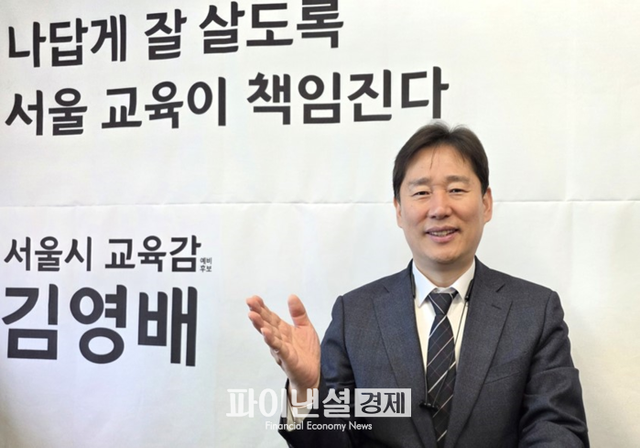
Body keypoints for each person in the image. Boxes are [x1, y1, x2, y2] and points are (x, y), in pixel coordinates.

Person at [247, 122, 589, 447]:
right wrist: (307, 390)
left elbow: (556, 428)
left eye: (456, 190)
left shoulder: (535, 311)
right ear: (398, 209)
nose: (439, 209)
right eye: (422, 192)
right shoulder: (356, 315)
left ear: (486, 203)